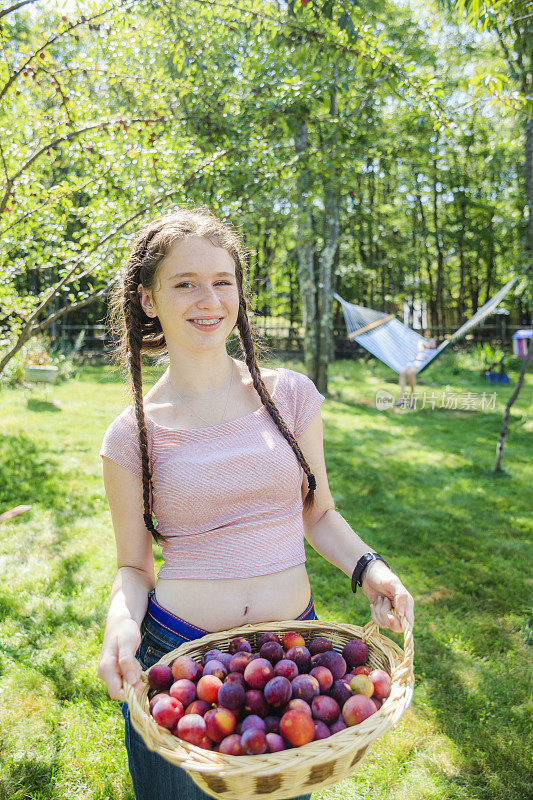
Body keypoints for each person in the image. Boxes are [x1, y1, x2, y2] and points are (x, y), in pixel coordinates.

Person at [96, 205, 415, 800]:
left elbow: (317, 513)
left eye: (222, 281)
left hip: (291, 663)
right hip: (184, 672)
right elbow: (134, 567)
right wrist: (119, 625)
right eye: (184, 283)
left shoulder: (288, 396)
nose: (208, 299)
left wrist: (371, 568)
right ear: (148, 300)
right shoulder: (130, 434)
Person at [397, 335, 438, 409]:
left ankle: (412, 398)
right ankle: (402, 397)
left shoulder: (435, 351)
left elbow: (444, 344)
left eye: (433, 342)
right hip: (413, 362)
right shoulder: (424, 349)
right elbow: (420, 342)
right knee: (403, 373)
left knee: (410, 373)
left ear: (436, 344)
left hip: (420, 364)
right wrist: (427, 345)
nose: (430, 343)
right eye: (430, 341)